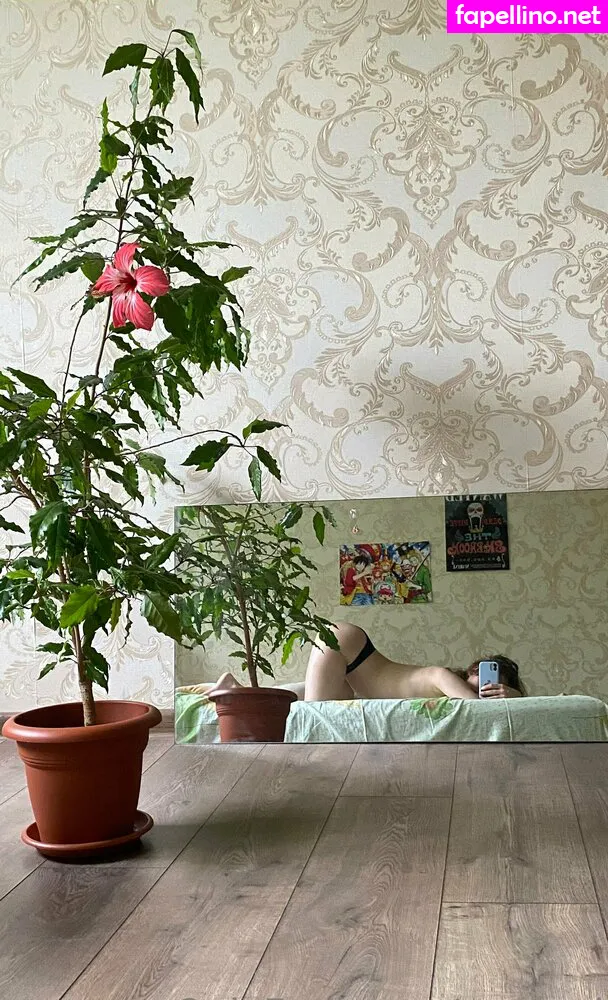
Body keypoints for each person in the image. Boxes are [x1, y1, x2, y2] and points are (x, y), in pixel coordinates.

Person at [207, 623, 526, 703]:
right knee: (313, 717)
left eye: (497, 686)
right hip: (349, 645)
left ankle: (236, 689)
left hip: (355, 665)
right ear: (472, 671)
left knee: (312, 699)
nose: (489, 688)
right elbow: (474, 705)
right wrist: (512, 698)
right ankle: (235, 690)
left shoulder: (447, 688)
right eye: (486, 677)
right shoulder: (444, 677)